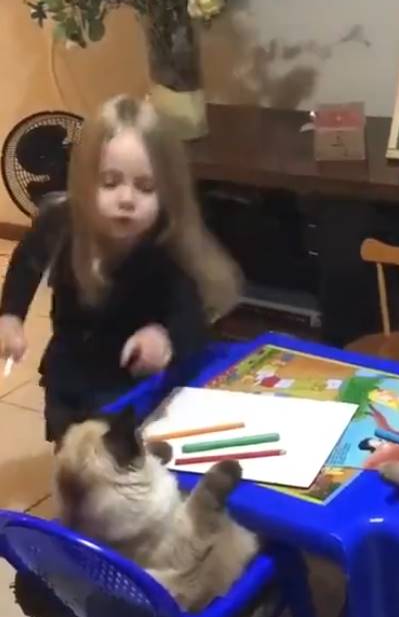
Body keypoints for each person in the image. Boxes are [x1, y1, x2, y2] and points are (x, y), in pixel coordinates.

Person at [0, 94, 242, 442]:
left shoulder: (166, 242)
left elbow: (189, 312)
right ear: (84, 181)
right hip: (72, 367)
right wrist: (11, 316)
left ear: (168, 192)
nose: (126, 199)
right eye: (110, 182)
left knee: (126, 462)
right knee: (75, 459)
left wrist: (165, 338)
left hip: (134, 378)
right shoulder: (62, 222)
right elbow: (27, 262)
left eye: (145, 187)